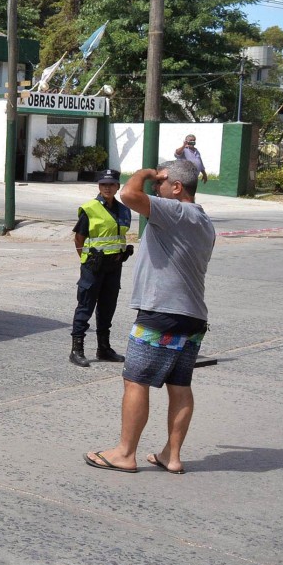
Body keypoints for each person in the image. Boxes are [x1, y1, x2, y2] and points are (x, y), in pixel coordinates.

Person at [85, 160, 216, 475]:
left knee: (135, 381)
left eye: (161, 183)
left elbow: (128, 195)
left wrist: (145, 174)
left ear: (176, 187)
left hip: (162, 314)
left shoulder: (176, 212)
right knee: (180, 384)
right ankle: (172, 455)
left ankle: (124, 453)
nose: (155, 188)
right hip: (193, 318)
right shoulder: (204, 221)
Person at [69, 168, 133, 367]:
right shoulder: (90, 209)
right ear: (99, 186)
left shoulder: (124, 210)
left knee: (107, 308)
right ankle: (76, 350)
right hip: (93, 266)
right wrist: (86, 260)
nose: (107, 187)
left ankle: (103, 348)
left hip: (114, 266)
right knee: (86, 306)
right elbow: (79, 238)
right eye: (104, 184)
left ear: (117, 186)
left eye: (111, 184)